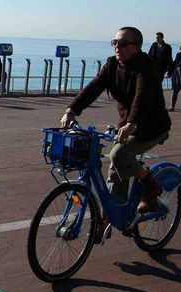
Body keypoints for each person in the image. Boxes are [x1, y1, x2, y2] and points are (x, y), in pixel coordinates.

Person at [60, 27, 171, 241]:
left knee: (119, 156)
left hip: (151, 126)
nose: (117, 47)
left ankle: (152, 187)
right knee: (116, 168)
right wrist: (71, 110)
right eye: (115, 42)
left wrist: (131, 123)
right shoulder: (112, 64)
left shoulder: (145, 65)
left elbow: (142, 96)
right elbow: (93, 88)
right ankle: (112, 214)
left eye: (123, 43)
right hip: (128, 125)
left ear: (136, 47)